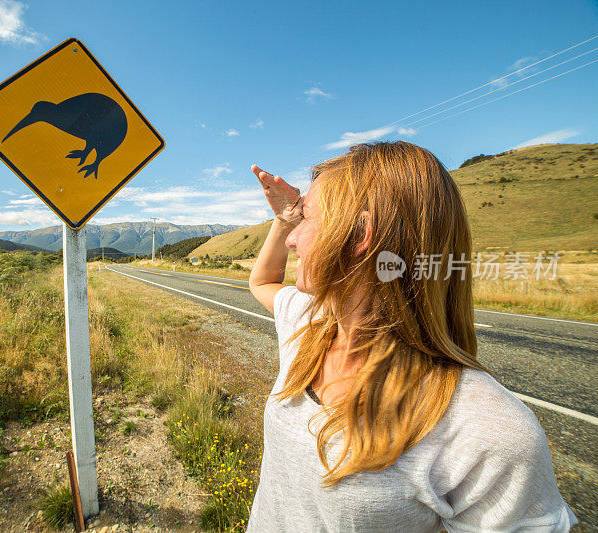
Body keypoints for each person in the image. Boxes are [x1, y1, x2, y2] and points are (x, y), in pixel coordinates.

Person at [246, 142, 577, 532]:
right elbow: (263, 281)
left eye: (305, 220)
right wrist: (284, 218)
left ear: (360, 234)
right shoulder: (308, 322)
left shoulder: (488, 430)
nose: (291, 238)